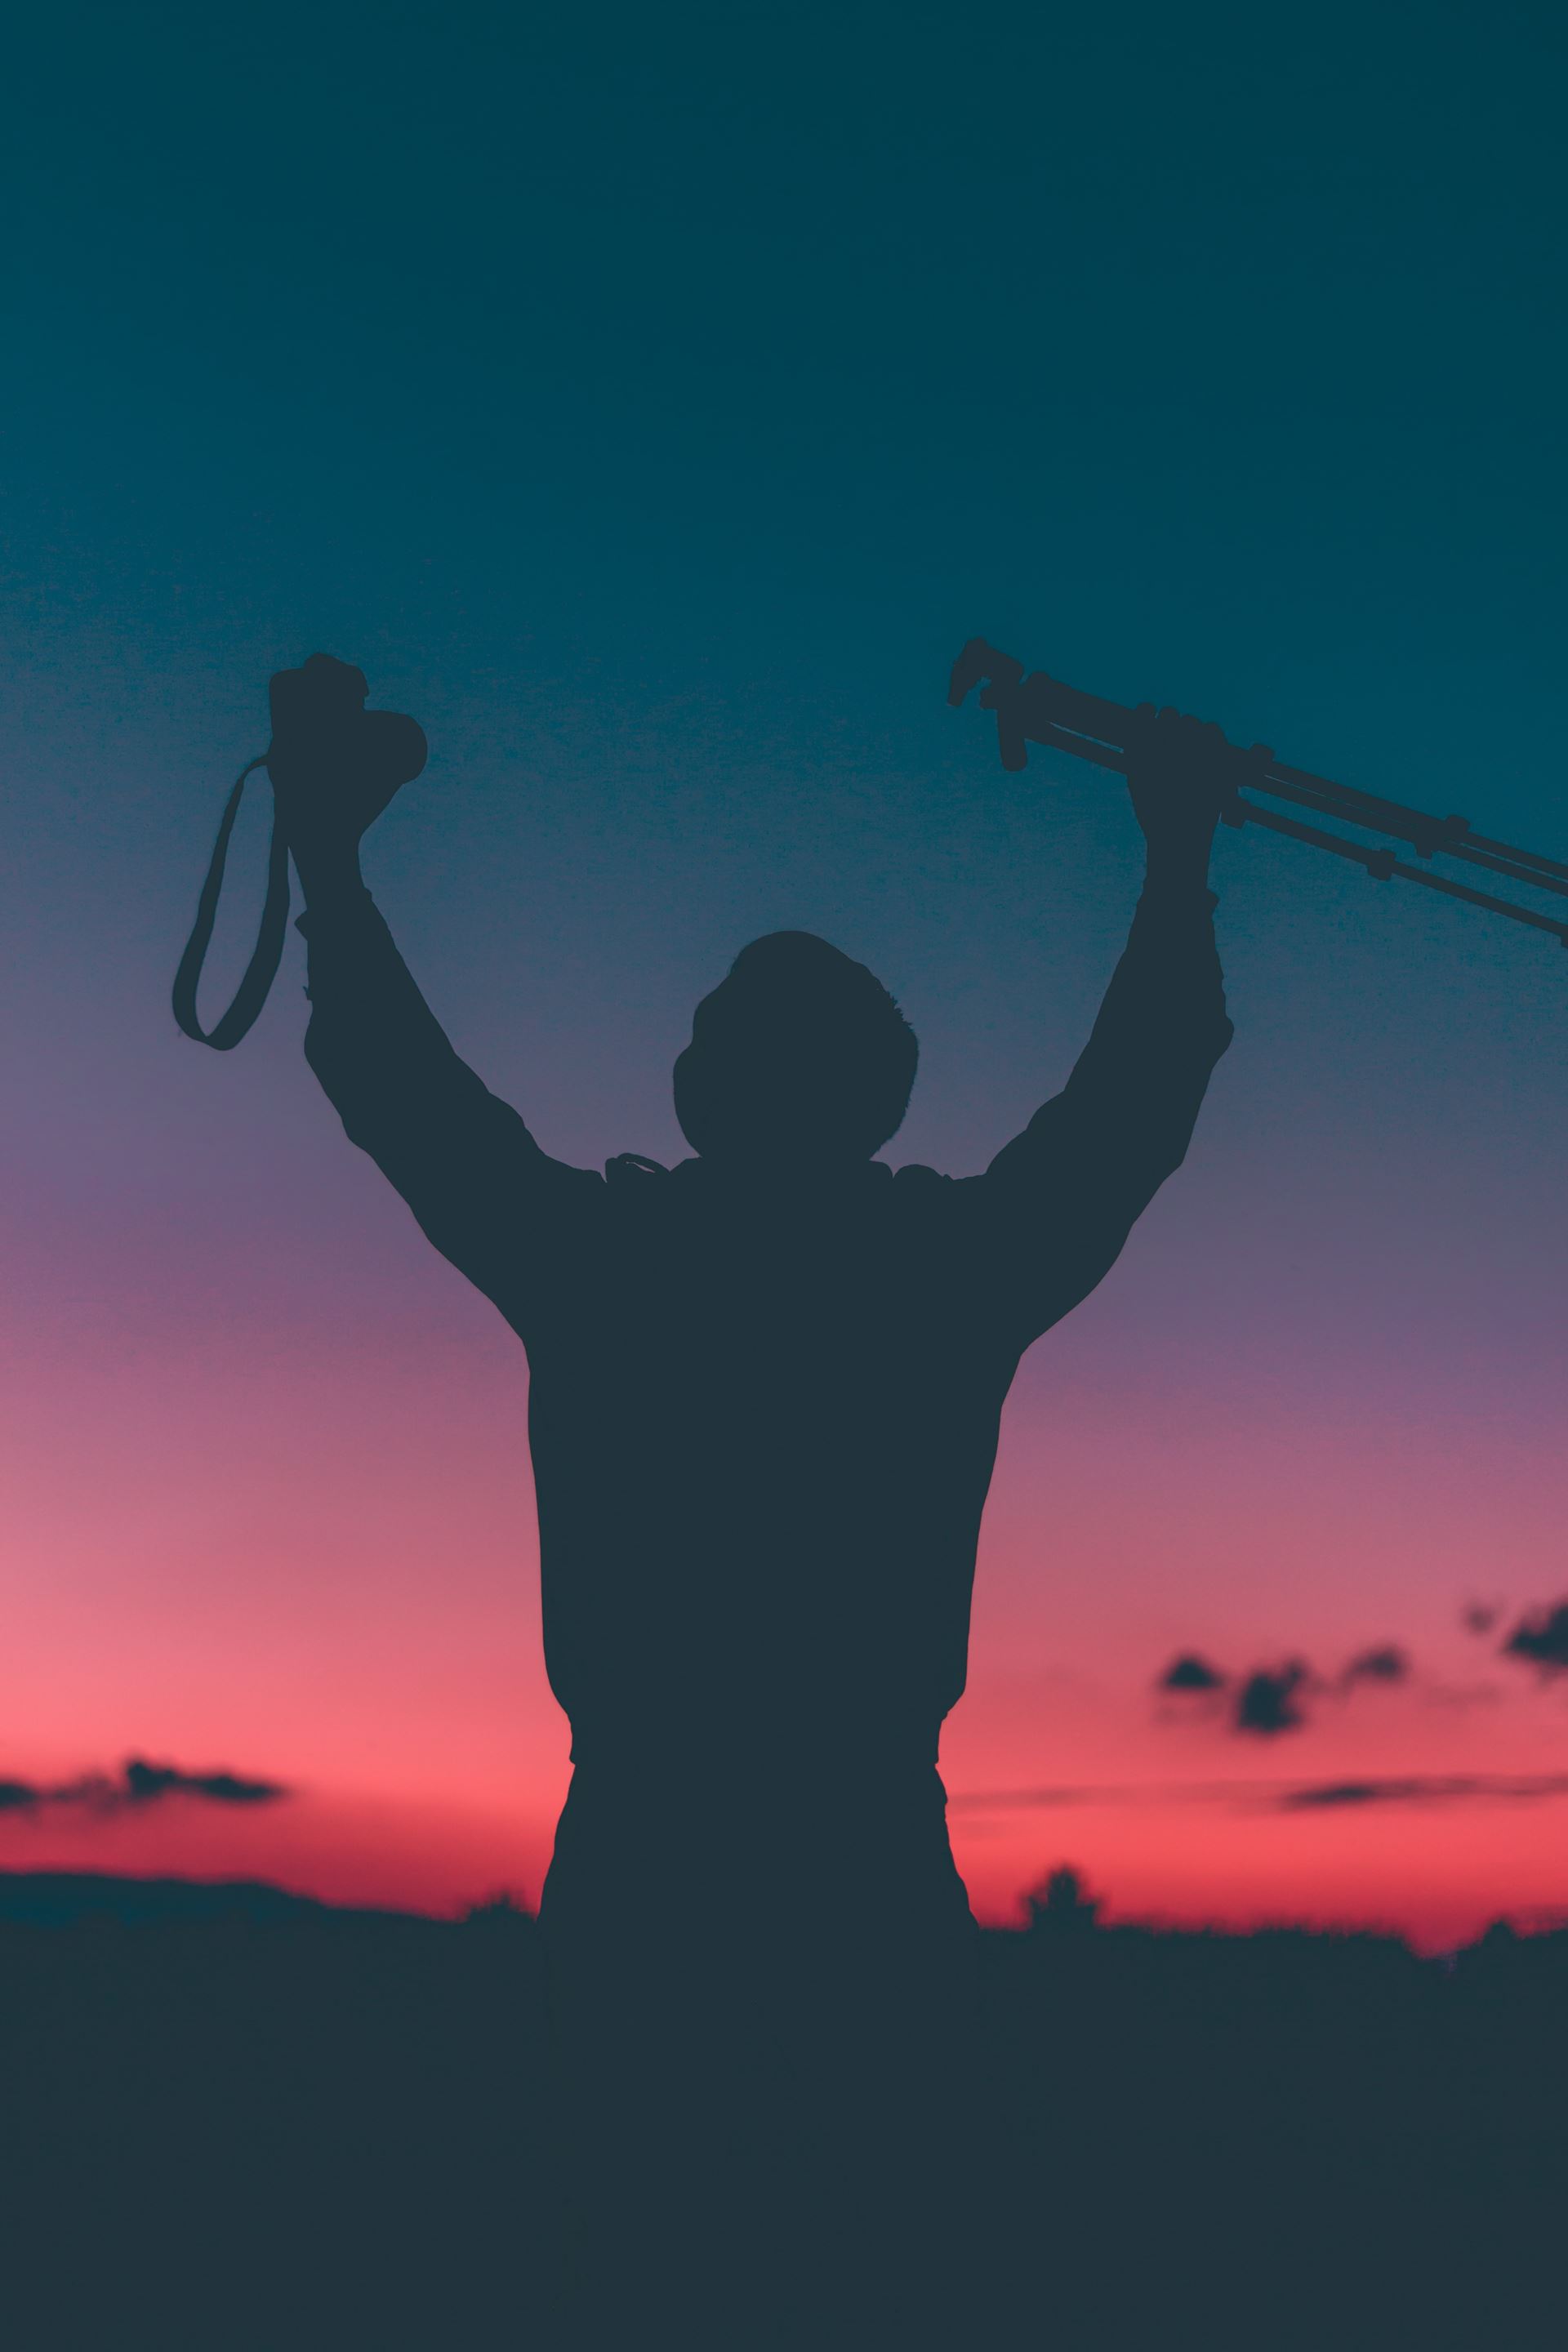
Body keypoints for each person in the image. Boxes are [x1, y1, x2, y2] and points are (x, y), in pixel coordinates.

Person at [266, 653, 1236, 2344]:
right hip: (858, 1867)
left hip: (656, 1871)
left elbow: (401, 1092)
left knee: (658, 2270)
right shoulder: (942, 1275)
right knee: (868, 2277)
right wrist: (1173, 854)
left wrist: (328, 855)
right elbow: (1137, 1105)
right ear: (876, 1099)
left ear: (705, 1093)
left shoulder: (607, 1264)